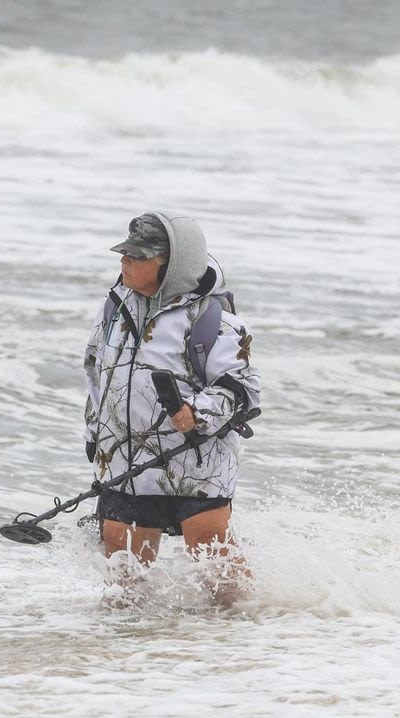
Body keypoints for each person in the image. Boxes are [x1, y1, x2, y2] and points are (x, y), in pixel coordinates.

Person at [82, 212, 261, 605]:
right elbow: (96, 374)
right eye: (125, 254)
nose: (125, 262)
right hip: (124, 460)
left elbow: (243, 390)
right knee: (122, 581)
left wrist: (195, 415)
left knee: (216, 568)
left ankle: (249, 639)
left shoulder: (216, 321)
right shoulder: (114, 308)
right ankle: (137, 655)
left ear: (172, 265)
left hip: (195, 460)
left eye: (138, 256)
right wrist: (96, 435)